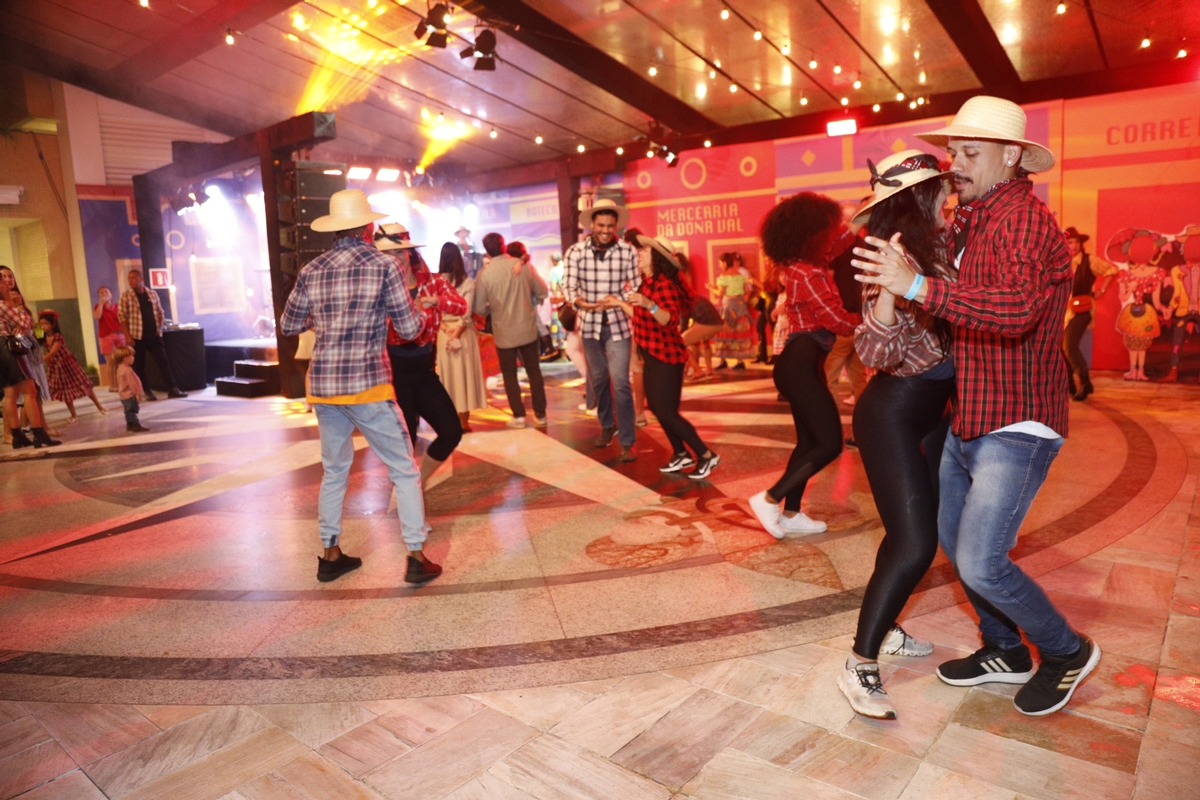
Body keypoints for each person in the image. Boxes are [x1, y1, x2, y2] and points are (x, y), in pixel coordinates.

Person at [854, 95, 1099, 716]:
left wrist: (914, 286)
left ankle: (1065, 651)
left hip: (1017, 418)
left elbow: (1015, 311)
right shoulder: (975, 219)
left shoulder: (1023, 221)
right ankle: (1004, 649)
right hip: (969, 414)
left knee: (981, 561)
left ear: (1011, 155)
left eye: (969, 153)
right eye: (954, 153)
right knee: (949, 538)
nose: (955, 165)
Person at [835, 150, 957, 720]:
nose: (949, 193)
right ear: (920, 196)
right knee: (915, 543)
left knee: (908, 532)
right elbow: (876, 353)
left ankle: (886, 629)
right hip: (892, 413)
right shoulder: (888, 257)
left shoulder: (942, 248)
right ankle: (860, 662)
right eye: (940, 187)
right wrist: (890, 289)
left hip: (934, 412)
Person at [280, 190, 441, 585]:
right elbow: (408, 328)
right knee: (403, 469)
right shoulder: (384, 265)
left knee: (334, 471)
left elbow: (288, 325)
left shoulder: (311, 269)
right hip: (368, 385)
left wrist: (327, 320)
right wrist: (421, 314)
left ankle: (330, 554)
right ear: (368, 227)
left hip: (323, 386)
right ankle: (416, 555)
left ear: (334, 230)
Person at [748, 194, 859, 537]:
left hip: (805, 364)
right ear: (811, 232)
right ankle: (770, 498)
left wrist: (870, 208)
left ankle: (792, 513)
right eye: (827, 227)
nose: (833, 232)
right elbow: (836, 320)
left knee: (808, 443)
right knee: (829, 443)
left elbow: (846, 237)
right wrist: (873, 319)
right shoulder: (806, 272)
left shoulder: (810, 261)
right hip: (799, 365)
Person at [604, 235, 720, 479]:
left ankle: (706, 455)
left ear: (657, 257)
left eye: (645, 250)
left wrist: (650, 305)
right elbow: (640, 314)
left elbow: (670, 319)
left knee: (667, 412)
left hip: (667, 356)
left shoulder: (664, 285)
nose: (640, 253)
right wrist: (619, 303)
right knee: (658, 407)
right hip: (653, 354)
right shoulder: (648, 283)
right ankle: (681, 453)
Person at [376, 223, 466, 486]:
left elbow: (461, 306)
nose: (395, 259)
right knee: (406, 442)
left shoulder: (432, 281)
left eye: (398, 252)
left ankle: (420, 483)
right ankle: (407, 496)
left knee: (451, 432)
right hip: (393, 372)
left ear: (409, 253)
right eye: (387, 254)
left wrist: (435, 301)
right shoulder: (379, 287)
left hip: (424, 369)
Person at [562, 199, 640, 461]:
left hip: (619, 325)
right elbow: (568, 286)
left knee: (621, 382)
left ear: (616, 225)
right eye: (602, 225)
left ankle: (627, 441)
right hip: (589, 326)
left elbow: (637, 287)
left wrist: (621, 299)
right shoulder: (576, 252)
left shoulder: (628, 251)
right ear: (592, 225)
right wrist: (579, 301)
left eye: (610, 226)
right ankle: (608, 425)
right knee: (598, 380)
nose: (606, 230)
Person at [473, 232, 549, 429]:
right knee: (534, 371)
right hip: (527, 328)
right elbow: (543, 291)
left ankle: (519, 416)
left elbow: (479, 308)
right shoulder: (524, 267)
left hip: (503, 332)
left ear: (487, 251)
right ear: (504, 245)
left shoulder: (485, 274)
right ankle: (541, 414)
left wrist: (492, 309)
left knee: (509, 375)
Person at [435, 242, 488, 432]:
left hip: (443, 333)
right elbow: (466, 312)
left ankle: (449, 421)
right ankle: (464, 421)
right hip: (464, 334)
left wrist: (445, 329)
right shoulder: (467, 282)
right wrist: (457, 332)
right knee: (465, 376)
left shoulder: (435, 282)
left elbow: (432, 310)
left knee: (448, 377)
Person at [1, 281, 59, 449]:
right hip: (9, 349)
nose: (7, 286)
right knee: (30, 391)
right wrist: (19, 306)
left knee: (10, 393)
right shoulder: (3, 305)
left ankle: (17, 435)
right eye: (3, 282)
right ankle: (39, 434)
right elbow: (25, 325)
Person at [1061, 227, 1116, 399]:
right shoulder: (1062, 261)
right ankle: (1069, 385)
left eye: (1076, 242)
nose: (1074, 246)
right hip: (1064, 312)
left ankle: (1085, 384)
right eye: (1070, 242)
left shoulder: (1088, 260)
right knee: (1062, 349)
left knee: (1069, 346)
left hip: (1082, 309)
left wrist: (1102, 290)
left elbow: (1111, 270)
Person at [824, 207, 870, 412]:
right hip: (861, 319)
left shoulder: (835, 247)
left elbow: (827, 283)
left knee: (828, 377)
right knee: (859, 378)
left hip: (841, 320)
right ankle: (863, 425)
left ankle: (830, 425)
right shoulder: (864, 245)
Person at [118, 269, 187, 401]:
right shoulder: (126, 296)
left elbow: (160, 312)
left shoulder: (152, 293)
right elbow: (122, 317)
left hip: (153, 336)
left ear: (141, 279)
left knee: (163, 362)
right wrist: (127, 336)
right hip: (137, 336)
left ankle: (172, 388)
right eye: (129, 278)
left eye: (134, 277)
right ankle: (147, 391)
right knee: (140, 365)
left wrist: (159, 328)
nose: (131, 280)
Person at [39, 310, 107, 422]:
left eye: (46, 324)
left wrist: (41, 360)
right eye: (41, 324)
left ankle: (100, 407)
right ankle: (73, 414)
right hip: (56, 367)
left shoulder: (58, 336)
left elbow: (53, 352)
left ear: (53, 324)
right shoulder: (42, 337)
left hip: (68, 364)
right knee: (65, 390)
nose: (43, 326)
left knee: (83, 384)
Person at [710, 253, 758, 369]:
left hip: (728, 305)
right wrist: (741, 300)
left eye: (720, 263)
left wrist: (710, 288)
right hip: (740, 306)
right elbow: (747, 290)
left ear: (725, 263)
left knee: (724, 331)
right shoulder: (740, 276)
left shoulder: (724, 277)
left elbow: (720, 293)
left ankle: (722, 360)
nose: (720, 265)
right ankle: (740, 360)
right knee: (739, 332)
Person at [1163, 236, 1200, 383]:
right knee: (1177, 341)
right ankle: (1173, 370)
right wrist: (1170, 308)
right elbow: (1177, 294)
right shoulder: (1177, 270)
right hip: (1183, 310)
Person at [678, 261, 723, 381]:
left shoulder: (683, 299)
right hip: (717, 322)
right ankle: (707, 369)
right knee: (700, 342)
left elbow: (684, 324)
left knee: (679, 343)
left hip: (706, 323)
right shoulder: (694, 295)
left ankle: (698, 371)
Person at [93, 286, 124, 392]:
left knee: (121, 361)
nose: (104, 294)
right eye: (101, 293)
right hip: (106, 336)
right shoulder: (98, 306)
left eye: (106, 292)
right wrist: (101, 303)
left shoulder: (118, 306)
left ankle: (121, 383)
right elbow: (97, 316)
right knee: (111, 362)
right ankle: (112, 385)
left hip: (120, 335)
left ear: (111, 294)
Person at [113, 345, 149, 433]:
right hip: (130, 394)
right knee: (132, 410)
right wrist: (137, 393)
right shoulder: (127, 370)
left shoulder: (119, 368)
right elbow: (132, 383)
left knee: (128, 411)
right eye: (131, 356)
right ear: (124, 358)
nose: (133, 358)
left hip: (123, 395)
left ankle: (129, 425)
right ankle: (136, 425)